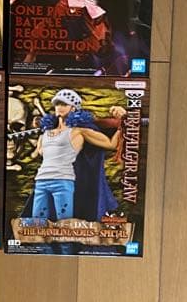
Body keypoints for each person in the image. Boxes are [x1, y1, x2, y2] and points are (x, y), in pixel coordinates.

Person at [27, 88, 124, 228]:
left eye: (64, 104)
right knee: (37, 224)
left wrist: (122, 126)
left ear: (73, 108)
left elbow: (110, 144)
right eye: (57, 104)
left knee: (65, 224)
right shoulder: (46, 133)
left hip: (63, 181)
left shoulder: (79, 131)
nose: (59, 107)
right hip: (42, 180)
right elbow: (40, 153)